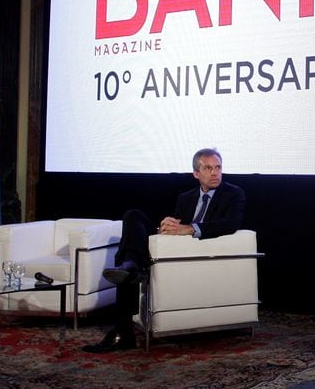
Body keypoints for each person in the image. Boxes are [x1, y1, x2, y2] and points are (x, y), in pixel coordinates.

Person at [82, 147, 246, 353]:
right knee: (133, 216)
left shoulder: (233, 193)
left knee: (129, 266)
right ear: (196, 173)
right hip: (174, 247)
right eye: (208, 168)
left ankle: (122, 328)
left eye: (218, 167)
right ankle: (131, 266)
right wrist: (166, 227)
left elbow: (230, 224)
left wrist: (190, 229)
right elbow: (177, 223)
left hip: (196, 249)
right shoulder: (186, 197)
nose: (215, 173)